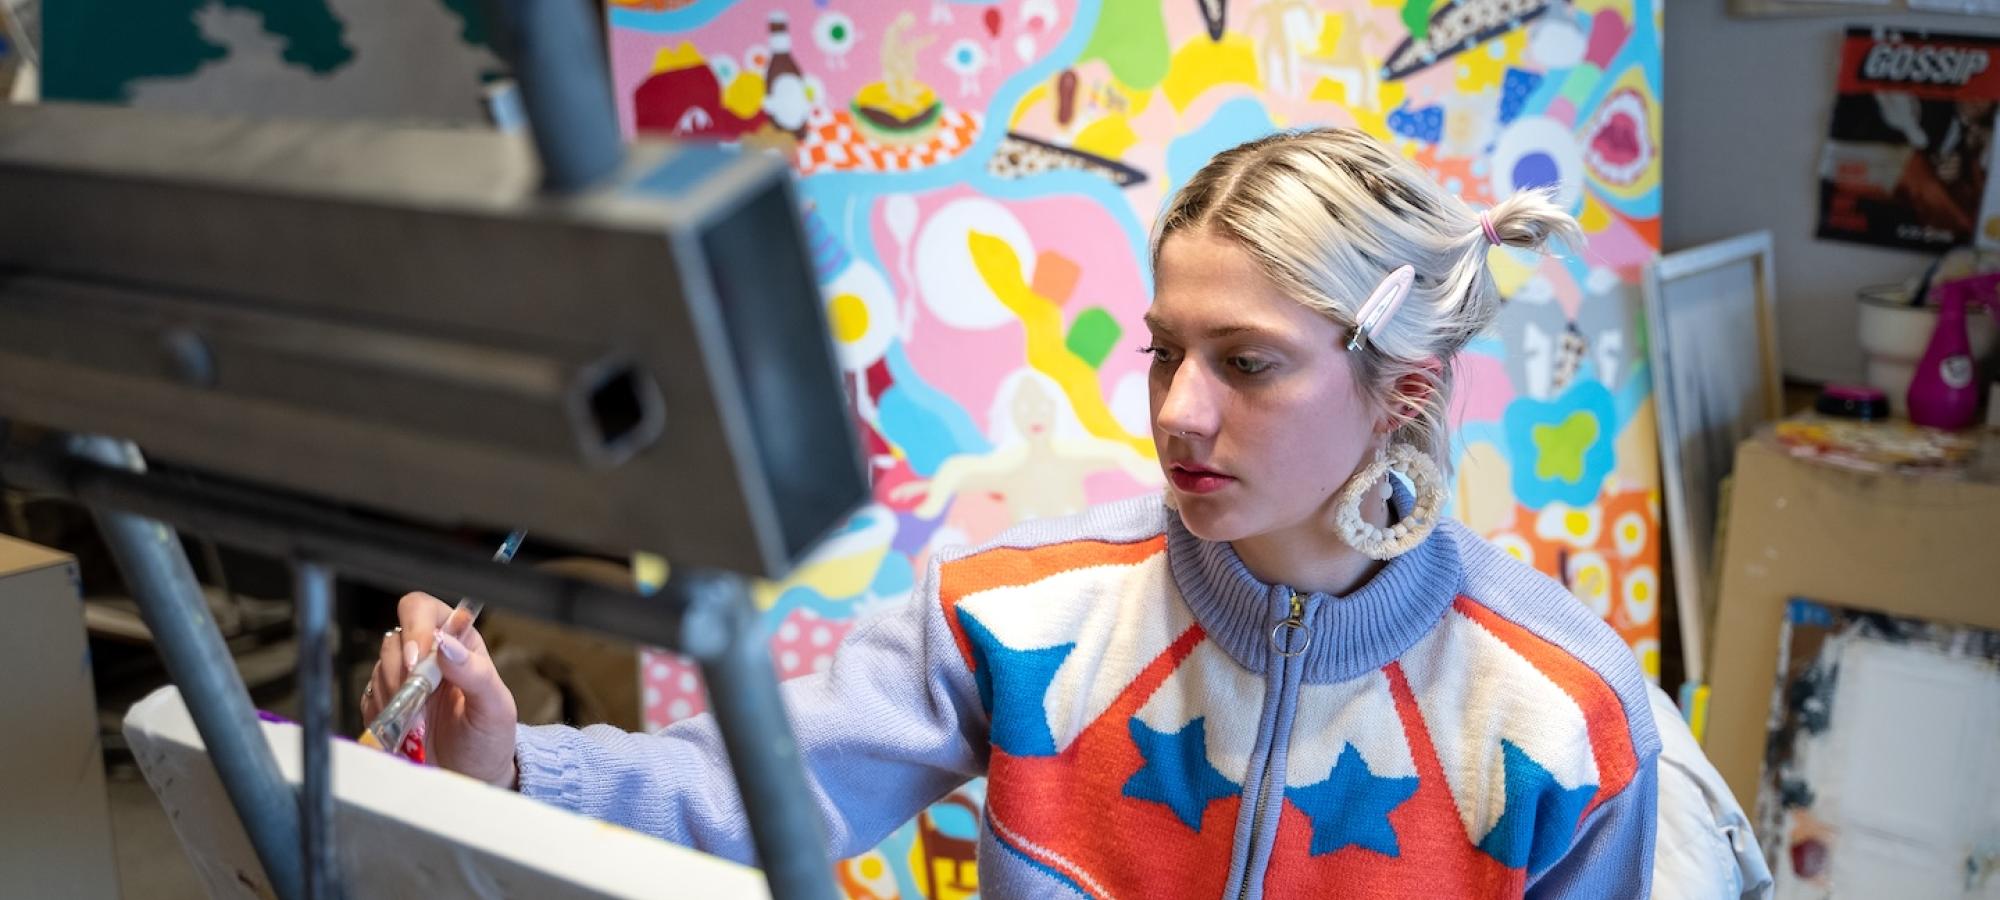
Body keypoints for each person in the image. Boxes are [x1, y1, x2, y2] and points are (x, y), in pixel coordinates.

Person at [364, 127, 1659, 897]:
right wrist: (512, 761)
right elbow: (743, 791)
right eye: (1165, 352)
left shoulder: (1562, 713)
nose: (1179, 412)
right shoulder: (1017, 614)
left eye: (1247, 362)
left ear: (1403, 392)